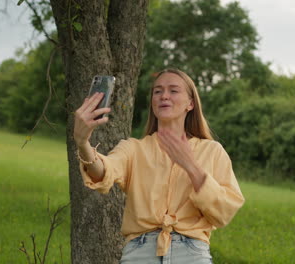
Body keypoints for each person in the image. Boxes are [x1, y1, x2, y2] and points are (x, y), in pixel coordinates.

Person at [73, 69, 245, 263]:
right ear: (153, 102)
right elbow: (104, 171)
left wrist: (190, 165)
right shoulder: (133, 149)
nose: (164, 96)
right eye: (158, 91)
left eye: (173, 91)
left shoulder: (213, 151)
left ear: (190, 103)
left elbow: (224, 211)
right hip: (140, 253)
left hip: (192, 254)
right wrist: (83, 143)